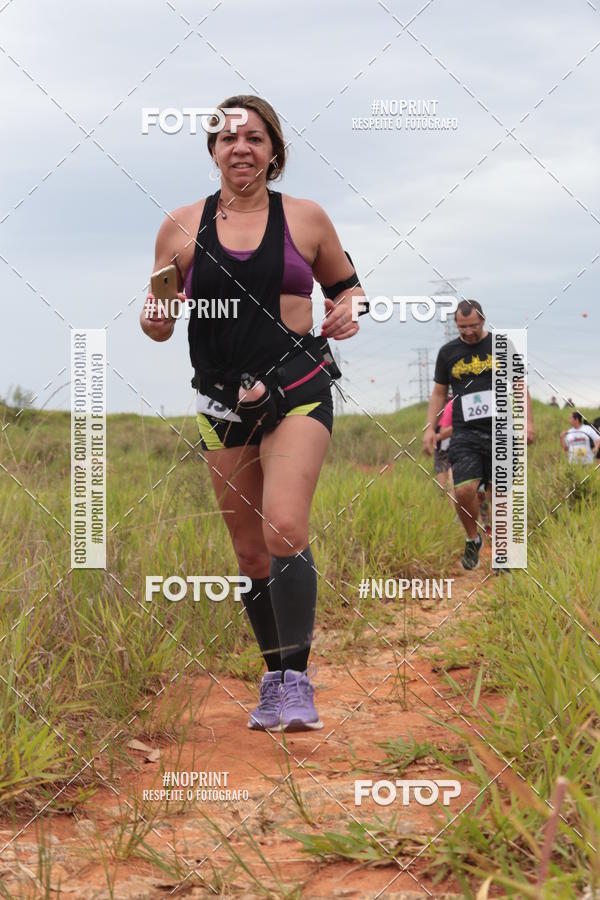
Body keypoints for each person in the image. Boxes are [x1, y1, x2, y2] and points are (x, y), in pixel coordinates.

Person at [140, 95, 366, 732]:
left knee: (284, 528)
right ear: (212, 151)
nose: (242, 147)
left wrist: (351, 308)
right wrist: (154, 318)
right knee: (250, 552)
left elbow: (346, 286)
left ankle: (297, 681)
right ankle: (273, 675)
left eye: (256, 138)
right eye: (228, 138)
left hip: (299, 385)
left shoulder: (307, 219)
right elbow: (157, 320)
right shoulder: (180, 228)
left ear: (275, 151)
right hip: (221, 401)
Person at [423, 300, 535, 570]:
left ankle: (503, 552)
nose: (468, 332)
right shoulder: (448, 352)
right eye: (462, 327)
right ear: (456, 325)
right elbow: (439, 392)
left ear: (483, 320)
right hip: (465, 432)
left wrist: (527, 420)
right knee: (463, 490)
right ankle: (473, 539)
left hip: (501, 430)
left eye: (473, 325)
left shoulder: (501, 345)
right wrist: (430, 427)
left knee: (500, 494)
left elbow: (519, 383)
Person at [433, 394, 455, 507]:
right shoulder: (439, 413)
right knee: (443, 488)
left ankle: (454, 513)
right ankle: (447, 513)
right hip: (441, 449)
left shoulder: (455, 405)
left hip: (455, 446)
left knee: (452, 482)